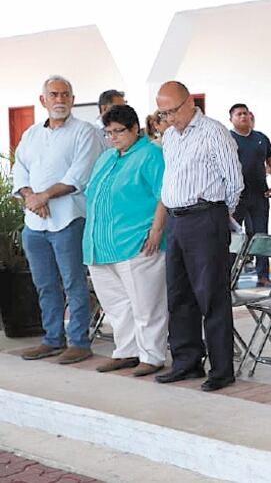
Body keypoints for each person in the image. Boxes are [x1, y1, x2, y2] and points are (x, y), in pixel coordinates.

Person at [155, 80, 243, 392]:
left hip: (205, 218)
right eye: (163, 114)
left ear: (190, 102)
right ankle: (186, 362)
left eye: (173, 111)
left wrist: (216, 215)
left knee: (211, 295)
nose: (170, 118)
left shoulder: (214, 131)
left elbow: (234, 182)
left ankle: (221, 369)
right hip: (176, 221)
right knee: (178, 295)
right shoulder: (169, 137)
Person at [13, 75, 102, 364]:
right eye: (54, 95)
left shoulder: (85, 132)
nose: (60, 100)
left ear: (73, 99)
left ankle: (78, 342)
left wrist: (44, 196)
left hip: (68, 219)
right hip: (35, 223)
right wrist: (30, 197)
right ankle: (52, 339)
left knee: (73, 283)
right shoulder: (31, 134)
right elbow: (20, 169)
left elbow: (79, 175)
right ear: (43, 100)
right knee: (44, 284)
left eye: (65, 94)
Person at [83, 104, 169, 377]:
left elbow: (164, 194)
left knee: (146, 305)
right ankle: (127, 351)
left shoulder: (151, 155)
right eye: (108, 132)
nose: (113, 137)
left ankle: (152, 356)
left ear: (135, 128)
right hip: (101, 245)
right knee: (117, 305)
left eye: (119, 131)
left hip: (137, 242)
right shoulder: (106, 158)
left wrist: (156, 230)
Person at [229, 103, 271, 287]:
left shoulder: (261, 138)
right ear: (231, 119)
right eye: (239, 114)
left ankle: (263, 275)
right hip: (236, 197)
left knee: (260, 235)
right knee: (233, 237)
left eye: (246, 114)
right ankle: (228, 275)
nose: (243, 117)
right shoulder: (228, 138)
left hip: (259, 195)